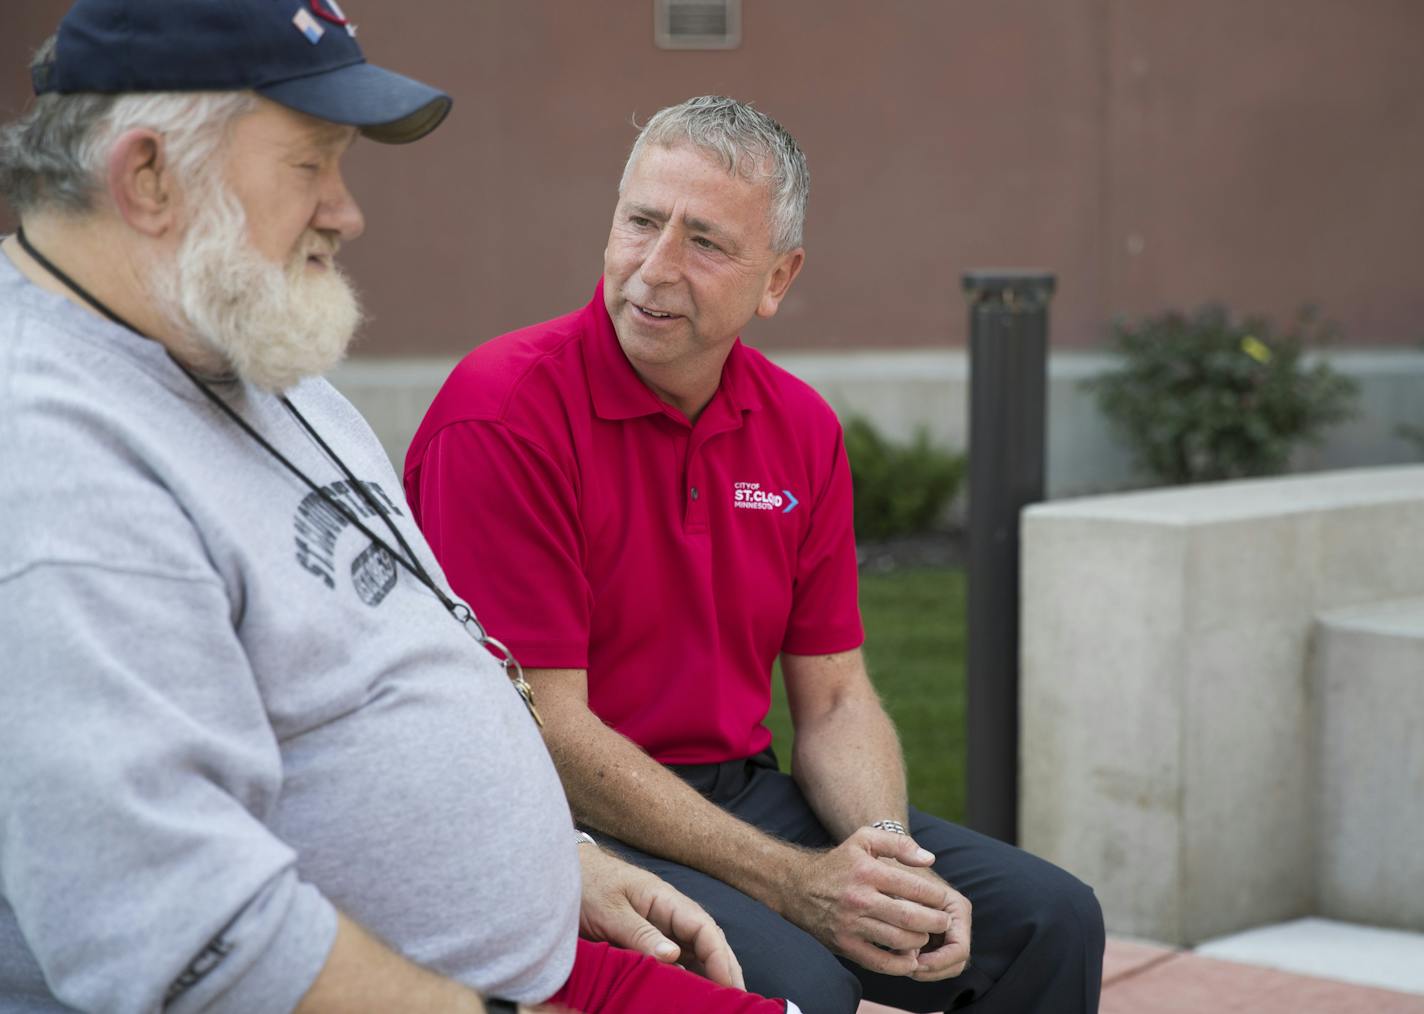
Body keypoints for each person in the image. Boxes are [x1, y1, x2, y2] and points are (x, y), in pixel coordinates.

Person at [0, 6, 799, 1013]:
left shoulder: (239, 349)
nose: (346, 210)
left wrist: (561, 858)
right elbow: (183, 932)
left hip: (540, 947)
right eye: (310, 163)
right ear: (149, 176)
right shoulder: (49, 463)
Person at [406, 94, 1108, 1013]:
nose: (653, 271)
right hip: (564, 820)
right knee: (802, 987)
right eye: (641, 223)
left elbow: (837, 697)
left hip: (736, 792)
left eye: (704, 242)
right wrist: (792, 883)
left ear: (777, 278)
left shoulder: (799, 429)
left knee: (1050, 922)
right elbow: (548, 730)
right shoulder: (503, 412)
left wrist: (882, 854)